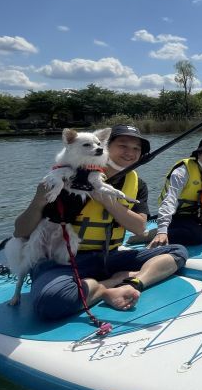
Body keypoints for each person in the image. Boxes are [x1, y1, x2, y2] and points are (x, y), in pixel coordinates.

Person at [14, 124, 189, 321]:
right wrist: (39, 201)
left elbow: (139, 228)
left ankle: (134, 283)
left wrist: (105, 198)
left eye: (136, 149)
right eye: (123, 145)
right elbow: (21, 231)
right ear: (106, 146)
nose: (130, 153)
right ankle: (110, 285)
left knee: (177, 252)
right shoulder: (67, 175)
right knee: (50, 302)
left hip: (109, 257)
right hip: (64, 261)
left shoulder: (137, 184)